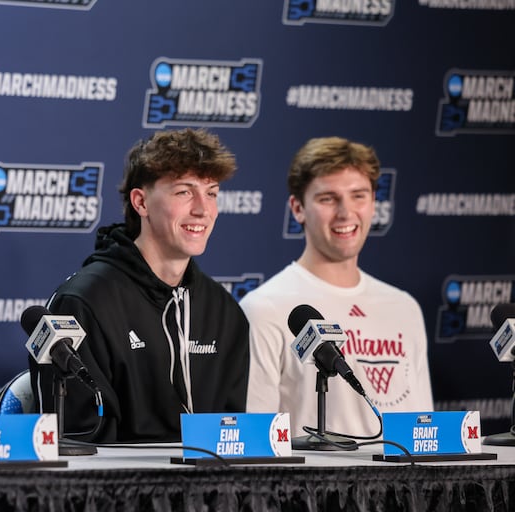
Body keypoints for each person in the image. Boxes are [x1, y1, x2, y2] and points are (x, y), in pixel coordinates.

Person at [32, 128, 250, 443]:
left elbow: (234, 436)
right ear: (141, 202)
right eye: (184, 192)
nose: (203, 209)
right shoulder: (83, 303)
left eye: (212, 192)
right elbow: (78, 444)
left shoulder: (225, 312)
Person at [240, 136, 433, 438]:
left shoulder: (404, 307)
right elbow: (255, 438)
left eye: (359, 196)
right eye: (328, 198)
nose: (346, 212)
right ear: (298, 208)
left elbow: (423, 432)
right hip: (310, 485)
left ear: (373, 203)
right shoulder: (264, 307)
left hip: (401, 485)